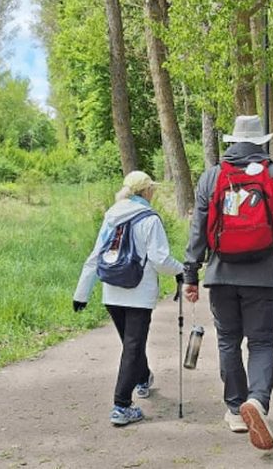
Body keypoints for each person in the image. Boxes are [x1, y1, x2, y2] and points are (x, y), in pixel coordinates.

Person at [183, 115, 273, 451]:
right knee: (262, 342)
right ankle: (257, 401)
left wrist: (191, 273)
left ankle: (236, 410)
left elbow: (198, 230)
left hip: (221, 275)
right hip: (264, 276)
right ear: (261, 143)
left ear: (233, 142)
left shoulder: (212, 176)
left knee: (228, 341)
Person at [73, 171, 184, 427]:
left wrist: (81, 293)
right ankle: (121, 406)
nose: (153, 193)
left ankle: (143, 378)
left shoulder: (112, 216)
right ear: (146, 192)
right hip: (139, 292)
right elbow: (160, 260)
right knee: (133, 346)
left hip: (112, 291)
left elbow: (95, 255)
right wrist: (181, 271)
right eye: (152, 189)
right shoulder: (150, 219)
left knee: (131, 344)